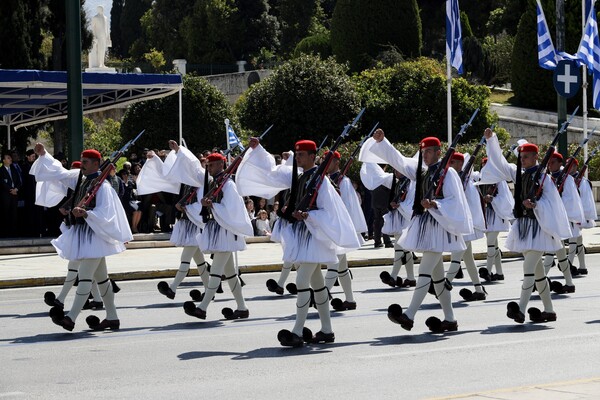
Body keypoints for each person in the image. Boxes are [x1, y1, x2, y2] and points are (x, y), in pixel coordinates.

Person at [240, 137, 359, 346]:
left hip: (314, 238)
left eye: (302, 155)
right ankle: (327, 331)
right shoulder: (301, 177)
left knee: (302, 282)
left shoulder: (321, 182)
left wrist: (308, 216)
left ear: (313, 156)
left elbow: (329, 212)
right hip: (304, 238)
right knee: (318, 285)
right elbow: (272, 172)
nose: (298, 158)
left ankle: (296, 331)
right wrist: (258, 149)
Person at [364, 130, 473, 333]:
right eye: (424, 152)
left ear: (439, 152)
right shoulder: (421, 171)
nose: (426, 155)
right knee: (438, 278)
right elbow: (399, 160)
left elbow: (455, 201)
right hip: (426, 225)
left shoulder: (447, 173)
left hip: (439, 228)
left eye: (430, 152)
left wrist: (435, 204)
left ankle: (409, 315)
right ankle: (450, 319)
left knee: (425, 272)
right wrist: (383, 142)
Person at [32, 143, 132, 331]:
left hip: (95, 237)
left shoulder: (104, 187)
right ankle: (112, 317)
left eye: (85, 162)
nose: (82, 165)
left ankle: (70, 318)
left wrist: (87, 213)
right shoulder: (81, 178)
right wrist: (44, 154)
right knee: (102, 280)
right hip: (84, 236)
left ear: (96, 164)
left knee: (85, 276)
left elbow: (106, 213)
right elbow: (59, 173)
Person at [481, 128, 572, 324]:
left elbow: (552, 203)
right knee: (538, 273)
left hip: (539, 228)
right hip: (524, 227)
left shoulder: (544, 178)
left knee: (528, 267)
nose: (522, 160)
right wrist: (492, 140)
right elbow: (500, 163)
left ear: (535, 157)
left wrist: (536, 205)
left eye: (526, 157)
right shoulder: (519, 174)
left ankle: (520, 309)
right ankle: (549, 310)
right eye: (521, 157)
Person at [164, 142, 252, 321]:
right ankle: (242, 308)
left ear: (221, 164)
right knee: (231, 275)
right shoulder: (214, 183)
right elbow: (194, 170)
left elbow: (233, 209)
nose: (208, 168)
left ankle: (203, 307)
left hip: (226, 232)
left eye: (211, 165)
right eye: (208, 165)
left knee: (216, 272)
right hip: (218, 231)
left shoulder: (228, 185)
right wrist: (179, 152)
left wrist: (213, 205)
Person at [135, 148, 212, 301]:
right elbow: (167, 175)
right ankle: (211, 291)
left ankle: (172, 288)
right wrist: (156, 159)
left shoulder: (204, 181)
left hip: (195, 224)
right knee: (200, 263)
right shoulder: (189, 180)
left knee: (185, 259)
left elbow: (202, 205)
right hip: (188, 222)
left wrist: (185, 207)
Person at [324, 150, 366, 311]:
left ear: (337, 163)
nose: (327, 164)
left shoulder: (344, 181)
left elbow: (348, 207)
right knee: (341, 267)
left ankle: (322, 295)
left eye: (331, 161)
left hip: (340, 228)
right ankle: (350, 299)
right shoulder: (327, 179)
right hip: (332, 227)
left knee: (334, 264)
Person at [443, 152, 488, 302]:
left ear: (460, 164)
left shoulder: (465, 181)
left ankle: (443, 285)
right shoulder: (458, 180)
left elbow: (470, 204)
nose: (449, 166)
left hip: (465, 224)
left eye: (452, 163)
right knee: (468, 259)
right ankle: (479, 289)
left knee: (456, 256)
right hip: (462, 223)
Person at [542, 152, 584, 294]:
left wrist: (555, 201)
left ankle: (540, 279)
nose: (550, 164)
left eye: (553, 162)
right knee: (559, 253)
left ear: (560, 164)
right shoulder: (546, 178)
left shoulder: (567, 179)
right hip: (551, 218)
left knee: (550, 251)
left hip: (560, 219)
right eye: (548, 162)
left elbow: (571, 200)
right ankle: (569, 283)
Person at [475, 157, 514, 282]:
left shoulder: (499, 181)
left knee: (490, 243)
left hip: (496, 215)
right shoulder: (481, 179)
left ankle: (487, 270)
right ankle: (499, 272)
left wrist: (493, 199)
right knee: (494, 245)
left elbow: (506, 199)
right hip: (486, 215)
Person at [570, 160, 597, 274]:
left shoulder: (582, 181)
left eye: (571, 166)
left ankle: (568, 266)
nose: (569, 168)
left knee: (572, 241)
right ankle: (583, 266)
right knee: (578, 241)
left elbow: (586, 200)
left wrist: (583, 216)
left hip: (577, 215)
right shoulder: (568, 179)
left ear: (576, 166)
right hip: (572, 214)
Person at [0, 152, 22, 238]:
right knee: (5, 213)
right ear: (3, 160)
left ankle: (13, 233)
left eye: (10, 158)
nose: (10, 159)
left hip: (14, 195)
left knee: (14, 214)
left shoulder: (14, 170)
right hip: (5, 196)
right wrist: (10, 189)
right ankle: (5, 233)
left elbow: (19, 182)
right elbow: (2, 182)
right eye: (8, 158)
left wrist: (16, 189)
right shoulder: (1, 170)